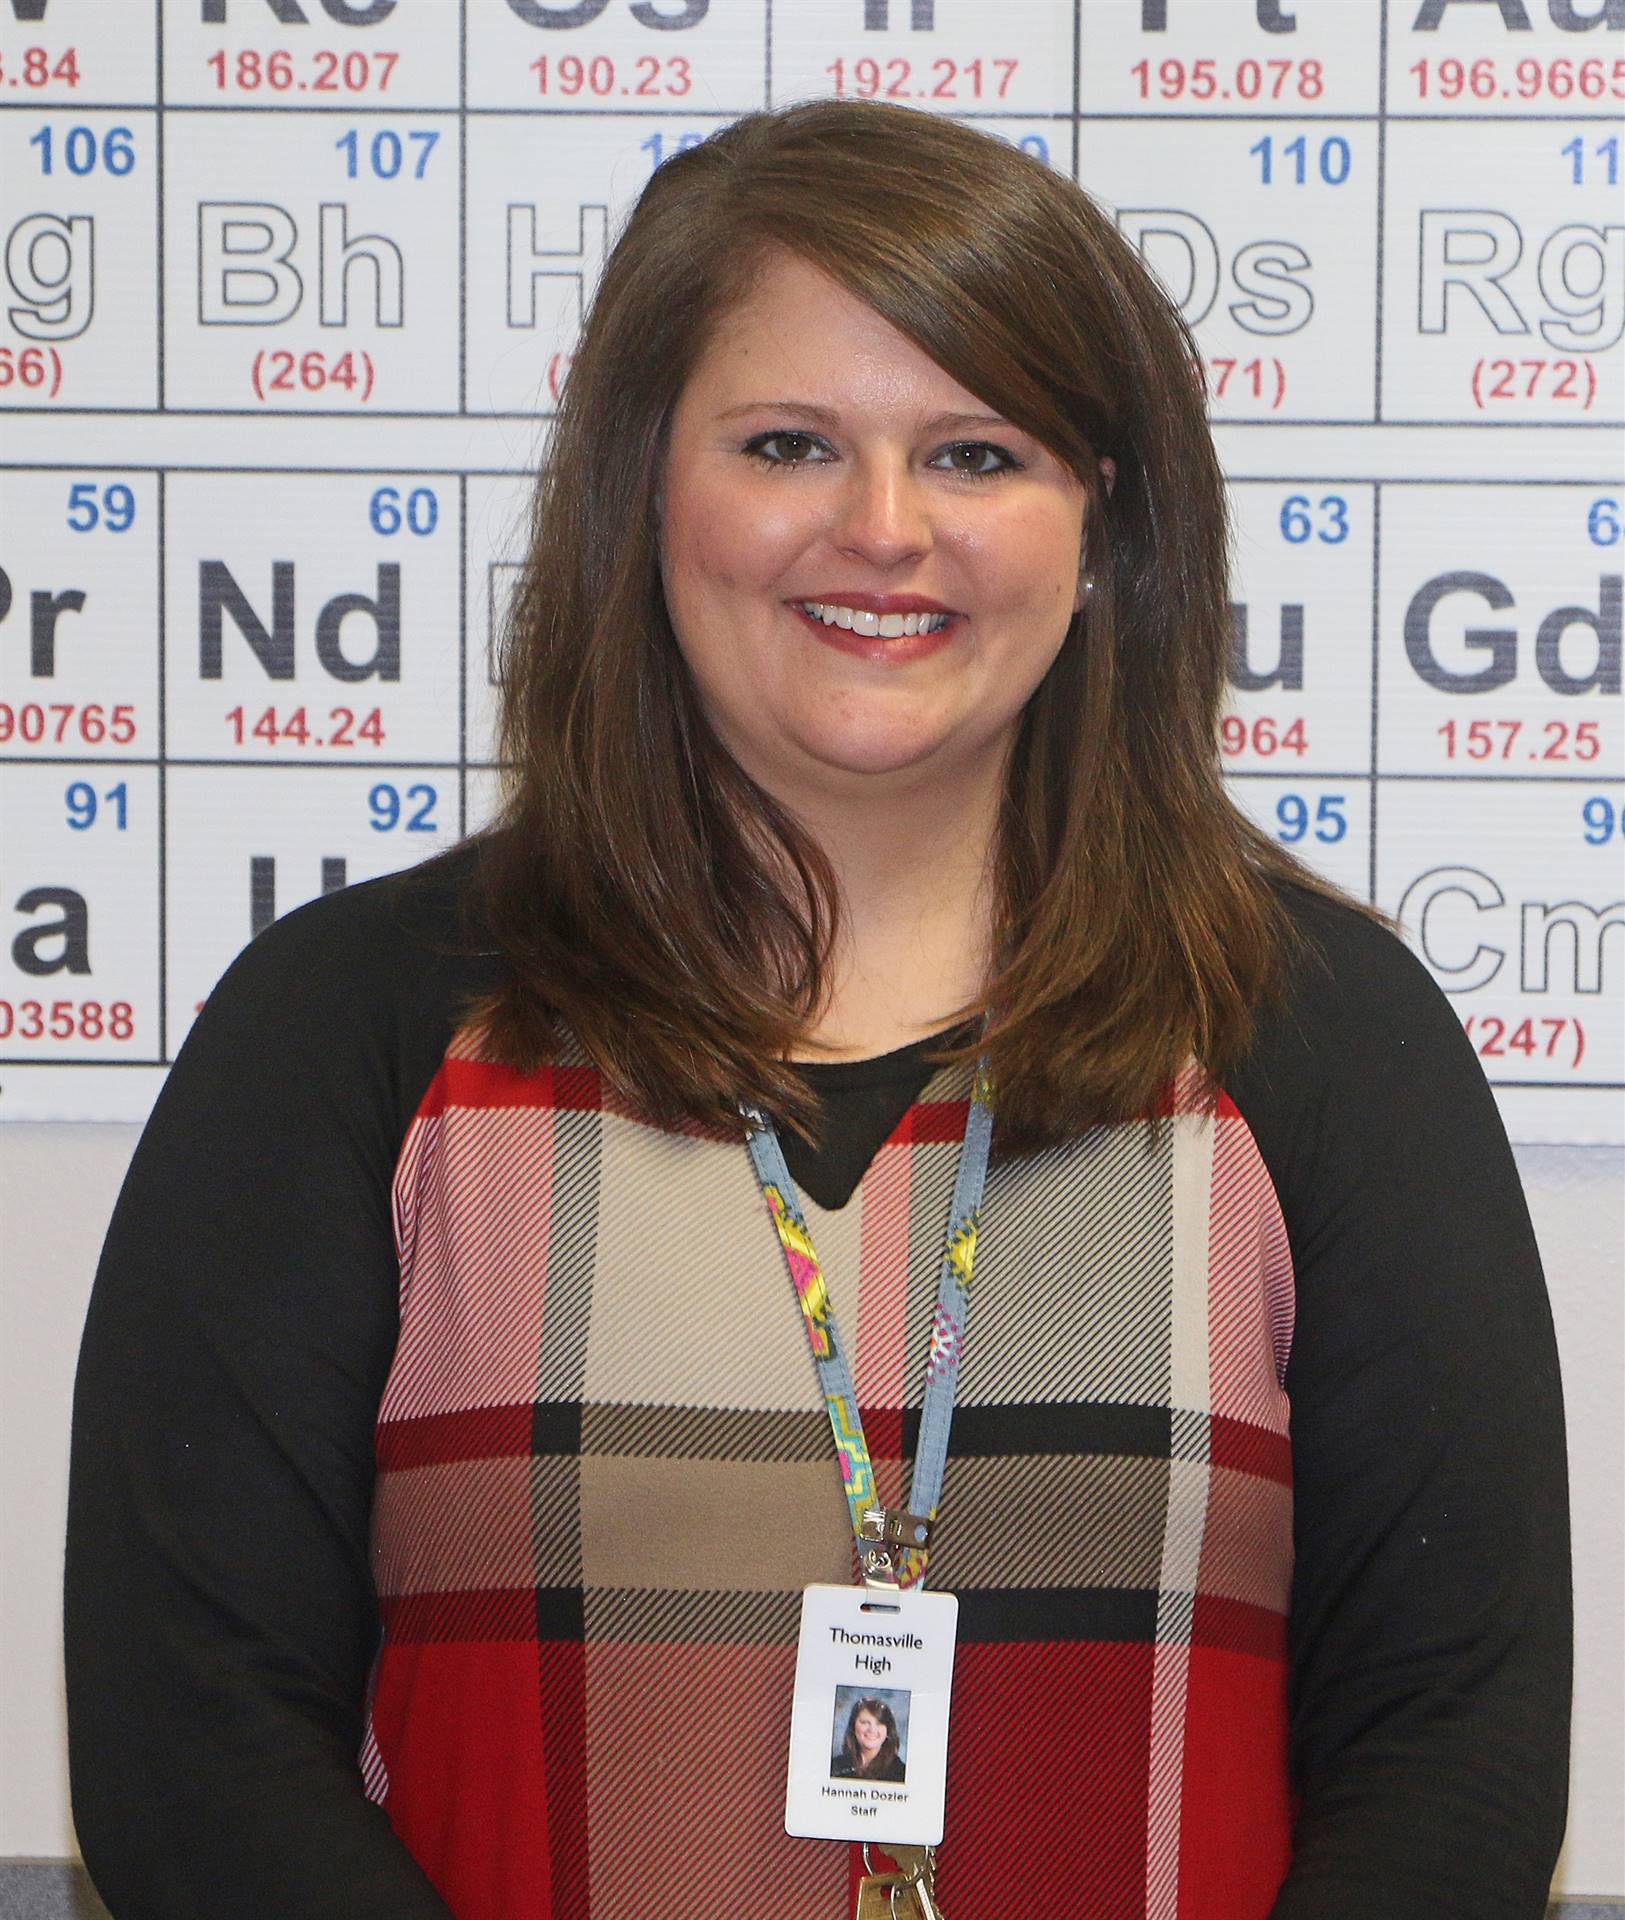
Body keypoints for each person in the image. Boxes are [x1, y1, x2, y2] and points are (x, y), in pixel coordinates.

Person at [63, 96, 1570, 1920]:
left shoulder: (1319, 1036)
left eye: (977, 454)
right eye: (788, 444)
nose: (883, 529)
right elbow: (194, 1751)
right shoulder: (350, 1033)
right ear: (642, 491)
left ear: (1103, 524)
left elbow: (1453, 1751)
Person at [832, 1698, 907, 1784]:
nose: (872, 1730)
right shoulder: (835, 1766)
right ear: (853, 1726)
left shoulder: (900, 1772)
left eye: (879, 1723)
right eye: (865, 1722)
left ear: (888, 1731)